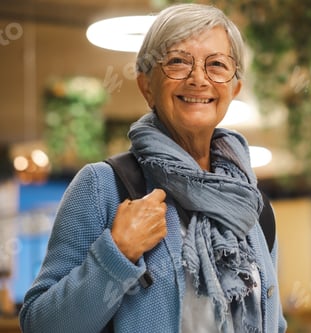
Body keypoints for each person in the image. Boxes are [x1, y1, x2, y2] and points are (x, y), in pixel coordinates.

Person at [19, 3, 287, 333]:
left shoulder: (252, 205)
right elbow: (41, 325)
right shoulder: (103, 187)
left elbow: (272, 322)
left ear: (234, 88)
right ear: (147, 86)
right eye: (178, 62)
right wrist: (118, 253)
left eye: (216, 65)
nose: (198, 79)